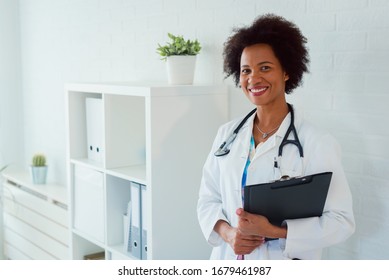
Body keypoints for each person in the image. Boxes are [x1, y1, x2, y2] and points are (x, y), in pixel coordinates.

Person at [197, 14, 355, 260]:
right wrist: (228, 234)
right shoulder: (227, 135)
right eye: (245, 70)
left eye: (265, 68)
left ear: (286, 72)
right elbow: (207, 199)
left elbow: (341, 221)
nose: (253, 79)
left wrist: (275, 231)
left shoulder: (317, 142)